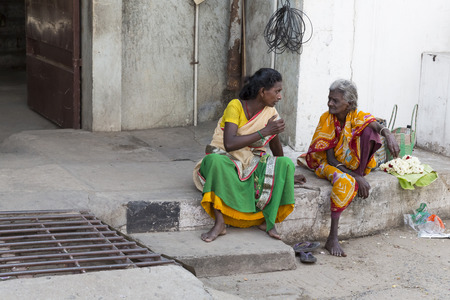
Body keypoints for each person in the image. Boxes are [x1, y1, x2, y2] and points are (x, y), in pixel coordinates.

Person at [193, 68, 306, 242]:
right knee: (214, 161)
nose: (279, 96)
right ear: (262, 92)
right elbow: (230, 144)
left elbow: (275, 144)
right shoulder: (235, 106)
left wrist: (284, 173)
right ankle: (220, 222)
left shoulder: (271, 113)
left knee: (286, 164)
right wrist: (265, 131)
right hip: (225, 158)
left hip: (252, 162)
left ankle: (267, 221)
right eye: (277, 91)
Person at [303, 79, 399, 257]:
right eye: (329, 99)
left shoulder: (356, 115)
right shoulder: (327, 118)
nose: (330, 103)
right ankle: (332, 237)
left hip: (349, 164)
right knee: (345, 182)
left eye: (335, 100)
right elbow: (330, 159)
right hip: (326, 163)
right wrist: (356, 177)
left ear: (350, 104)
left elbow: (375, 124)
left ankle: (358, 173)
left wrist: (389, 134)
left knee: (371, 132)